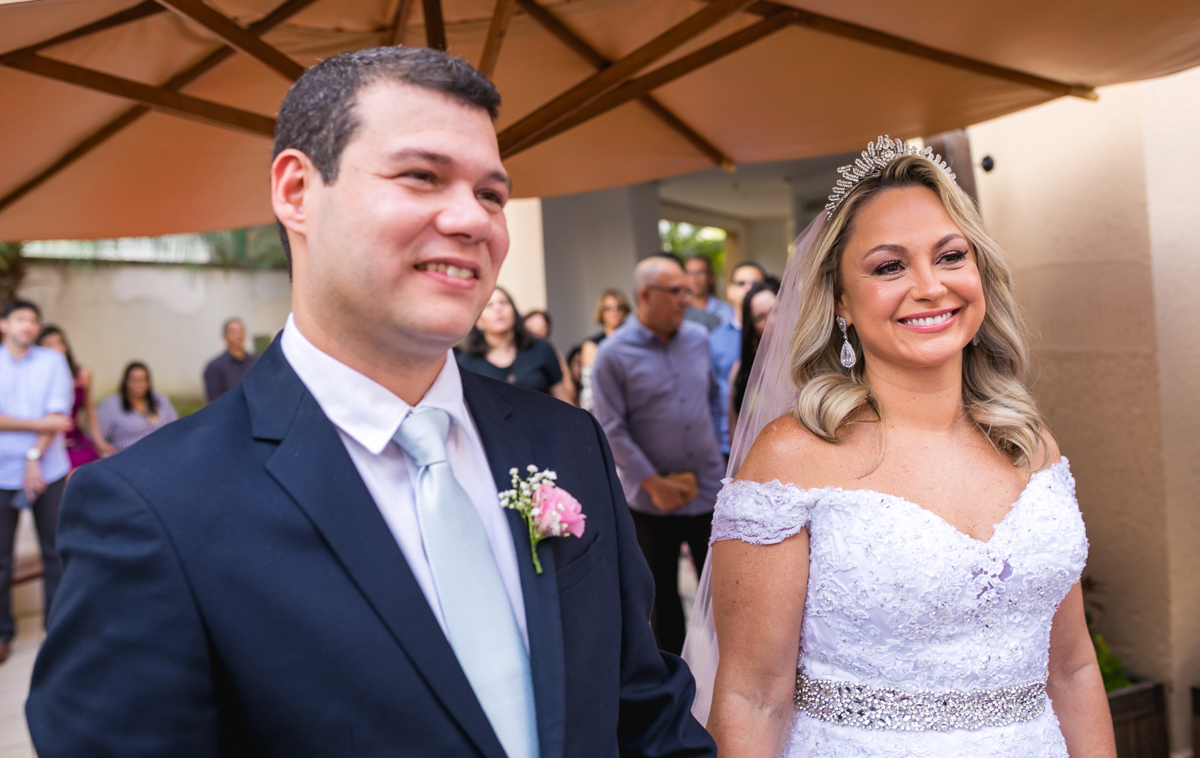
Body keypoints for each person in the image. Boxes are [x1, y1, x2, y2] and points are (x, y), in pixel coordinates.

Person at [28, 46, 715, 758]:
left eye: (491, 194)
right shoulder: (152, 508)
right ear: (297, 190)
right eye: (422, 176)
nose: (473, 220)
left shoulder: (566, 442)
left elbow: (644, 709)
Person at [684, 137, 1115, 757]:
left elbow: (1071, 669)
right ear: (840, 300)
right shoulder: (790, 461)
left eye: (951, 256)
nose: (930, 286)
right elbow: (753, 698)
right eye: (889, 267)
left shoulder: (1029, 444)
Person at [591, 254, 725, 656]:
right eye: (676, 291)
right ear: (646, 295)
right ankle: (678, 683)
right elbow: (611, 427)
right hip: (650, 502)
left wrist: (718, 447)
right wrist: (652, 482)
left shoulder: (698, 339)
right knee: (662, 598)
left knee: (723, 593)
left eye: (687, 290)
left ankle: (729, 674)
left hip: (708, 489)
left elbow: (714, 397)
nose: (687, 299)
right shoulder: (612, 354)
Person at [0, 301, 73, 664]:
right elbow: (50, 421)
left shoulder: (53, 361)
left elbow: (58, 415)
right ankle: (2, 633)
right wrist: (42, 424)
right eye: (20, 319)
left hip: (48, 469)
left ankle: (58, 631)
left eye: (33, 320)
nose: (28, 326)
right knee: (0, 557)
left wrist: (33, 456)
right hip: (1, 474)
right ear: (4, 324)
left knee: (56, 552)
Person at [456, 288, 574, 404]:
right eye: (489, 305)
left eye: (503, 302)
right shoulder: (466, 363)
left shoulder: (541, 349)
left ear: (514, 311)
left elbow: (563, 401)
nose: (498, 308)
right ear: (478, 322)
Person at [707, 261, 766, 455]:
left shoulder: (777, 337)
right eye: (741, 283)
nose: (748, 288)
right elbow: (710, 394)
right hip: (728, 443)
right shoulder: (714, 339)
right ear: (730, 291)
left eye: (755, 284)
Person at [36, 325, 114, 467]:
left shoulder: (83, 374)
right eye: (49, 344)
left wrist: (99, 441)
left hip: (76, 438)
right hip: (47, 441)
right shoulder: (36, 378)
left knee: (97, 468)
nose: (56, 348)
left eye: (60, 342)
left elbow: (89, 409)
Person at [727, 280, 779, 436]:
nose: (771, 321)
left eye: (776, 310)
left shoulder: (809, 363)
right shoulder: (740, 370)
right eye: (759, 317)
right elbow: (734, 424)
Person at [96, 362, 179, 452]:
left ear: (148, 382)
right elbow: (98, 439)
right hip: (130, 456)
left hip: (163, 452)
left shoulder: (159, 399)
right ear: (125, 382)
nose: (139, 384)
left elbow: (175, 427)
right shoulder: (111, 406)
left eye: (143, 380)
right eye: (134, 380)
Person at [579, 288, 630, 411]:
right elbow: (589, 388)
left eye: (619, 307)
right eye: (608, 308)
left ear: (625, 311)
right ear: (601, 312)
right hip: (601, 409)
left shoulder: (633, 343)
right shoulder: (591, 346)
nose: (614, 312)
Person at [518, 307, 577, 403]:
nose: (536, 333)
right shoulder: (514, 355)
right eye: (531, 329)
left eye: (541, 329)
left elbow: (569, 391)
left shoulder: (552, 353)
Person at [202, 317, 258, 402]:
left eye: (240, 331)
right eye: (233, 332)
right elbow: (215, 401)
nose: (238, 336)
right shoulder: (214, 367)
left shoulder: (256, 362)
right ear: (224, 336)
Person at [685, 255, 734, 325]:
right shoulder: (680, 310)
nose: (694, 278)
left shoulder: (726, 311)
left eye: (700, 272)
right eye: (690, 273)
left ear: (711, 276)